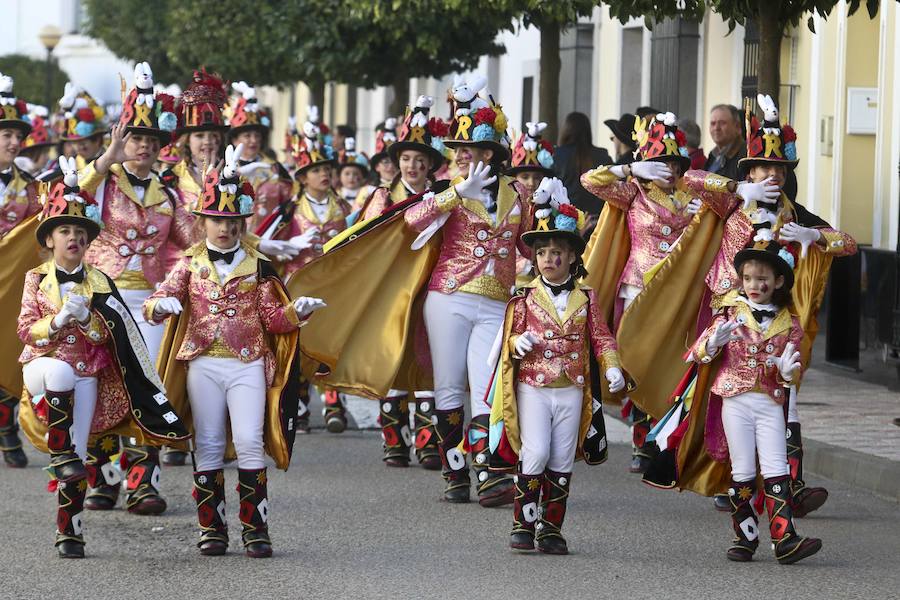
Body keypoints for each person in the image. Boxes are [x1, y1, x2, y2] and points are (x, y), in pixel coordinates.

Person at [145, 147, 324, 557]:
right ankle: (212, 529)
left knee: (247, 439)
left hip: (247, 363)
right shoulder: (189, 264)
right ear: (203, 222)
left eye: (231, 222)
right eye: (216, 221)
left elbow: (273, 320)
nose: (224, 230)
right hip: (203, 363)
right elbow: (157, 298)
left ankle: (255, 529)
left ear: (242, 223)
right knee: (207, 443)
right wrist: (161, 306)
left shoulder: (259, 266)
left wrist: (296, 313)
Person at [17, 164, 188, 557]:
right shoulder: (34, 278)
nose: (74, 238)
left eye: (80, 233)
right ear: (49, 238)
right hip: (43, 366)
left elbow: (111, 336)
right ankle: (59, 453)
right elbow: (26, 330)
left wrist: (89, 321)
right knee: (58, 372)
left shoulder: (100, 281)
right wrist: (57, 321)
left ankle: (70, 532)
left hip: (86, 373)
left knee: (78, 455)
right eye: (65, 231)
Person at [405, 75, 530, 506]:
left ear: (489, 154)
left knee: (486, 385)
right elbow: (411, 221)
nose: (460, 155)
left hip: (496, 299)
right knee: (449, 385)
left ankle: (490, 471)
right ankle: (454, 472)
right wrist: (456, 193)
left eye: (468, 149)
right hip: (449, 296)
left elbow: (529, 241)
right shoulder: (446, 189)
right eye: (456, 150)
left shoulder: (519, 193)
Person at [77, 62, 188, 515]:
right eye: (134, 139)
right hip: (101, 296)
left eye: (149, 141)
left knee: (149, 384)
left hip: (148, 302)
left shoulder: (168, 192)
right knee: (104, 383)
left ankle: (143, 484)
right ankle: (104, 480)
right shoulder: (103, 182)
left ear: (162, 148)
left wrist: (173, 287)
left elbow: (191, 245)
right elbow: (74, 203)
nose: (142, 147)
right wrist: (106, 159)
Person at [492, 179, 623, 554]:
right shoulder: (524, 296)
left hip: (572, 387)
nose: (550, 259)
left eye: (557, 253)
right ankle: (522, 523)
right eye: (543, 253)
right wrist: (519, 343)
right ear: (534, 259)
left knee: (563, 456)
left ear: (571, 257)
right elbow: (509, 340)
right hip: (534, 384)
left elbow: (600, 337)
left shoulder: (587, 296)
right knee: (535, 452)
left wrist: (612, 366)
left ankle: (551, 528)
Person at [580, 111, 708, 472]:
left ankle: (663, 438)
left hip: (677, 293)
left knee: (670, 361)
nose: (666, 169)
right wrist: (631, 170)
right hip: (636, 287)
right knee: (634, 359)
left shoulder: (691, 195)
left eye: (672, 162)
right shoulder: (632, 192)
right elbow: (590, 180)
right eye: (659, 162)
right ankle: (640, 439)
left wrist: (706, 211)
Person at [689, 239, 821, 564]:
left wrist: (789, 372)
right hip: (735, 401)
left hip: (770, 403)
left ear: (778, 282)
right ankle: (745, 537)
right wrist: (712, 343)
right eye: (748, 278)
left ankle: (785, 538)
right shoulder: (729, 312)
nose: (754, 285)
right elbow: (696, 354)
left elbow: (792, 370)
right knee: (743, 468)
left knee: (777, 468)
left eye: (762, 279)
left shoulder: (790, 324)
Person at [359, 95, 447, 469]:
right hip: (393, 290)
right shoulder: (381, 197)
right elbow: (365, 243)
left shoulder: (442, 198)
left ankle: (429, 442)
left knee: (427, 361)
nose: (412, 166)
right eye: (406, 159)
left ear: (430, 166)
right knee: (393, 360)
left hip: (431, 289)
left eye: (420, 160)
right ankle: (394, 441)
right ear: (397, 164)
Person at [0, 73, 41, 469]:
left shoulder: (29, 187)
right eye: (5, 134)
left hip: (11, 283)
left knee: (12, 348)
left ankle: (6, 421)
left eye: (17, 135)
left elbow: (39, 232)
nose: (14, 142)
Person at [224, 81, 292, 230]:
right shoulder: (224, 169)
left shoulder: (275, 168)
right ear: (235, 140)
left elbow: (289, 203)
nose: (253, 141)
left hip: (269, 240)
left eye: (257, 135)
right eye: (247, 136)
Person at [552, 112, 612, 213]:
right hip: (597, 219)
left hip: (565, 218)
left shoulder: (557, 155)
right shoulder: (602, 155)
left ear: (566, 130)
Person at [704, 104, 745, 181]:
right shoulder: (712, 155)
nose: (716, 128)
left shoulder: (745, 155)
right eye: (713, 123)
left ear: (737, 127)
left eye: (722, 123)